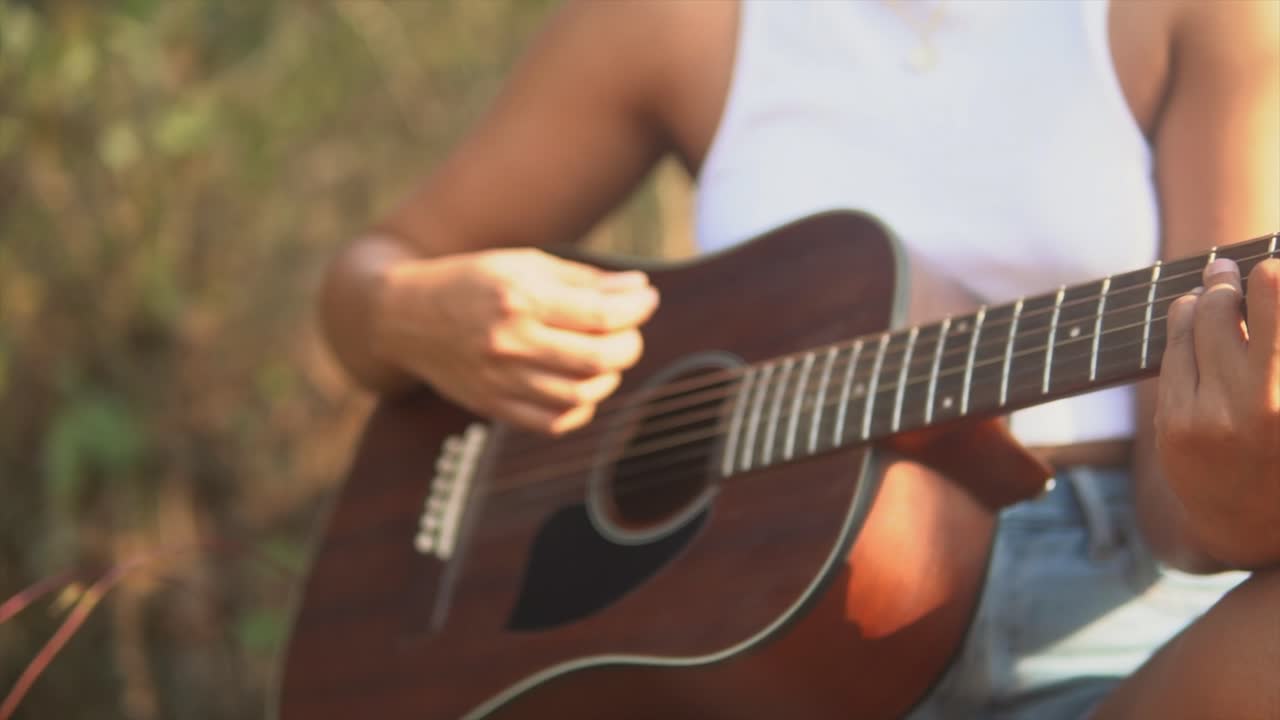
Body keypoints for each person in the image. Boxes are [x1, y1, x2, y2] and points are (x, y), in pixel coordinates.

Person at [319, 1, 1279, 718]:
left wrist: (1240, 499)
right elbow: (372, 275)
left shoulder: (1197, 13)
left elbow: (1185, 517)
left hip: (1104, 611)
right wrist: (407, 310)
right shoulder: (674, 21)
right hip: (736, 648)